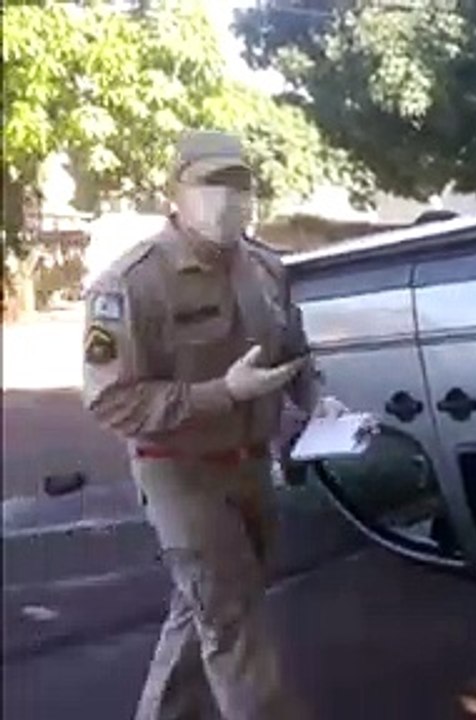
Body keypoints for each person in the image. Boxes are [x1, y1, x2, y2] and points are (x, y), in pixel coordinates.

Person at [81, 130, 342, 720]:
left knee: (206, 607)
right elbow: (110, 401)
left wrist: (317, 399)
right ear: (174, 192)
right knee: (235, 624)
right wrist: (218, 394)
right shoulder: (131, 284)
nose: (227, 200)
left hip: (252, 466)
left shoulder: (266, 268)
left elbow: (291, 349)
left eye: (239, 185)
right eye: (209, 185)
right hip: (180, 475)